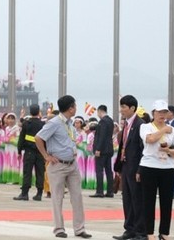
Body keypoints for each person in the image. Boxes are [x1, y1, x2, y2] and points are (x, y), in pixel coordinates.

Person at [35, 95, 92, 239]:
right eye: (74, 106)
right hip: (58, 164)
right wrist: (46, 155)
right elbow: (38, 138)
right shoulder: (54, 123)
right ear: (70, 108)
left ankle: (79, 228)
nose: (76, 108)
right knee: (57, 197)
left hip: (72, 164)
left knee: (77, 196)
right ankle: (59, 228)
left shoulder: (70, 123)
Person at [139, 100, 174, 240]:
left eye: (165, 112)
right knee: (148, 201)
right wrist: (163, 130)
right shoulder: (146, 127)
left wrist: (168, 150)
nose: (162, 115)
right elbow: (150, 140)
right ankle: (149, 233)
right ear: (153, 113)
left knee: (166, 202)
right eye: (159, 112)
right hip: (149, 167)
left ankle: (164, 232)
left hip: (168, 168)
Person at [113, 95, 146, 240]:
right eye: (121, 107)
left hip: (136, 168)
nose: (121, 110)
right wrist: (119, 167)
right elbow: (123, 146)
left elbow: (143, 149)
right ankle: (129, 229)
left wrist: (140, 169)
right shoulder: (126, 124)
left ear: (132, 108)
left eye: (123, 107)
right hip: (125, 166)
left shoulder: (140, 125)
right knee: (126, 199)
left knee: (137, 199)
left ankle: (140, 231)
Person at [14, 103, 45, 201]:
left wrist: (19, 151)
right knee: (40, 172)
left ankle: (24, 193)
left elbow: (21, 139)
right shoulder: (43, 124)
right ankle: (39, 193)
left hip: (29, 151)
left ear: (30, 112)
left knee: (27, 172)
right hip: (41, 152)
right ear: (39, 112)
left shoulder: (26, 124)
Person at [90, 105, 115, 198]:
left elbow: (102, 136)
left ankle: (99, 191)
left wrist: (98, 149)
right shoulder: (110, 121)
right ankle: (110, 191)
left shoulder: (103, 122)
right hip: (109, 149)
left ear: (100, 111)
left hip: (102, 150)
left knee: (99, 170)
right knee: (109, 171)